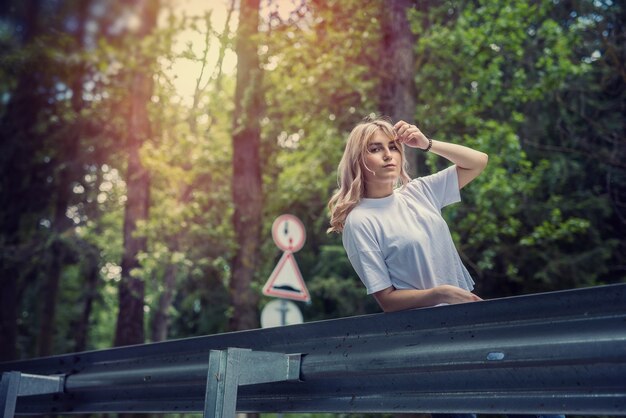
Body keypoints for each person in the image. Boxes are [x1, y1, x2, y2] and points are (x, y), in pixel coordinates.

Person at [327, 116, 564, 418]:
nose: (388, 155)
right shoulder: (360, 222)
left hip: (470, 321)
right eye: (376, 149)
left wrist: (426, 143)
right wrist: (441, 294)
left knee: (540, 407)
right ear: (359, 160)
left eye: (393, 147)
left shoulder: (419, 192)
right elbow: (386, 299)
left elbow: (478, 162)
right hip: (429, 341)